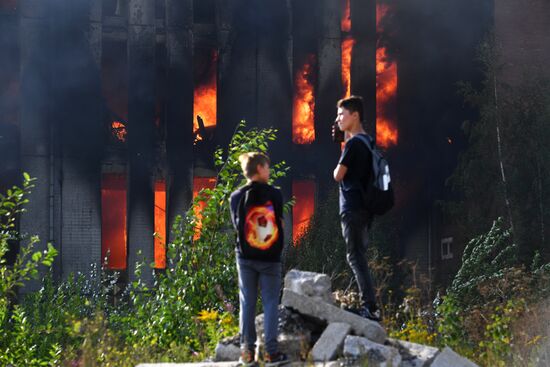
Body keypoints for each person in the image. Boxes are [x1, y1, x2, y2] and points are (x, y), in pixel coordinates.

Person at [229, 152, 289, 366]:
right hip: (271, 258)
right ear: (260, 169)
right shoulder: (276, 194)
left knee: (247, 302)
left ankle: (247, 353)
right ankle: (272, 353)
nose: (269, 170)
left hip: (245, 257)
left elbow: (237, 227)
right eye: (267, 167)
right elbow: (280, 222)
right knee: (271, 301)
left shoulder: (236, 196)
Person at [332, 95, 381, 321]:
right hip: (365, 208)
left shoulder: (353, 144)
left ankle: (369, 307)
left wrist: (343, 147)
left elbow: (338, 175)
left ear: (355, 115)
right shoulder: (368, 142)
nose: (338, 119)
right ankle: (370, 306)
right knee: (359, 254)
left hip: (352, 207)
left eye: (342, 114)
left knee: (355, 256)